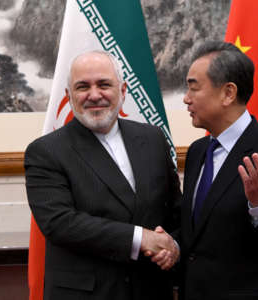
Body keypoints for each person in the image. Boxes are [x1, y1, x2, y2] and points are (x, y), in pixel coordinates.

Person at [24, 50, 181, 300]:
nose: (94, 95)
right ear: (69, 96)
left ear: (123, 90)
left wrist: (172, 246)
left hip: (150, 290)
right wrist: (142, 239)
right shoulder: (45, 152)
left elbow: (175, 210)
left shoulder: (153, 139)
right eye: (82, 86)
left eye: (104, 84)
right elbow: (60, 223)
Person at [179, 41, 258, 299]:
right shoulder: (196, 152)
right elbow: (200, 235)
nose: (186, 98)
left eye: (194, 87)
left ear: (228, 93)